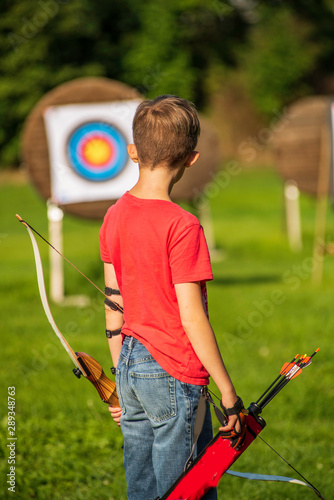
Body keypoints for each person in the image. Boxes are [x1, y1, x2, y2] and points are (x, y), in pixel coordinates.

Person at [99, 95, 241, 500]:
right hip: (174, 373)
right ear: (192, 159)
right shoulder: (183, 225)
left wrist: (119, 381)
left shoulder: (114, 215)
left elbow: (113, 300)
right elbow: (192, 317)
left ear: (132, 151)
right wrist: (228, 395)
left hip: (129, 364)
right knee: (185, 491)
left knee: (142, 489)